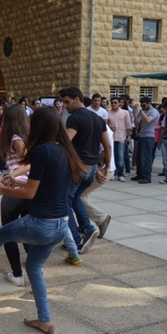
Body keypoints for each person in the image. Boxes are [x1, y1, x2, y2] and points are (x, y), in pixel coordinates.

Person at [0, 106, 86, 334]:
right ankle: (45, 320)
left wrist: (3, 189)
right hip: (61, 225)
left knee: (4, 233)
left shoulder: (42, 151)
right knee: (33, 266)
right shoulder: (65, 150)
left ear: (39, 126)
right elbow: (42, 187)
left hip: (41, 223)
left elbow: (31, 194)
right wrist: (16, 184)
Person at [60, 87, 111, 254]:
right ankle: (87, 229)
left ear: (77, 99)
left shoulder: (75, 118)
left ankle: (74, 239)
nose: (65, 106)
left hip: (78, 168)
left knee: (65, 200)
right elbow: (107, 145)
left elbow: (66, 142)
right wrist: (106, 167)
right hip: (92, 168)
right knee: (75, 198)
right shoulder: (97, 119)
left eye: (67, 102)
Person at [0, 105, 32, 285]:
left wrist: (12, 175)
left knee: (7, 233)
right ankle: (33, 271)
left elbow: (29, 162)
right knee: (25, 232)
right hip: (27, 190)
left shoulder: (16, 139)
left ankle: (18, 274)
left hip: (16, 190)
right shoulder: (26, 138)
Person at [132, 97, 160, 184]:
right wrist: (135, 114)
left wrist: (141, 111)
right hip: (142, 136)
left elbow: (148, 120)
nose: (142, 106)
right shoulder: (144, 111)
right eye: (141, 105)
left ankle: (147, 177)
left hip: (149, 137)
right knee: (139, 157)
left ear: (149, 103)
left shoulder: (154, 112)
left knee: (146, 158)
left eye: (144, 105)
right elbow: (137, 123)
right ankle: (140, 174)